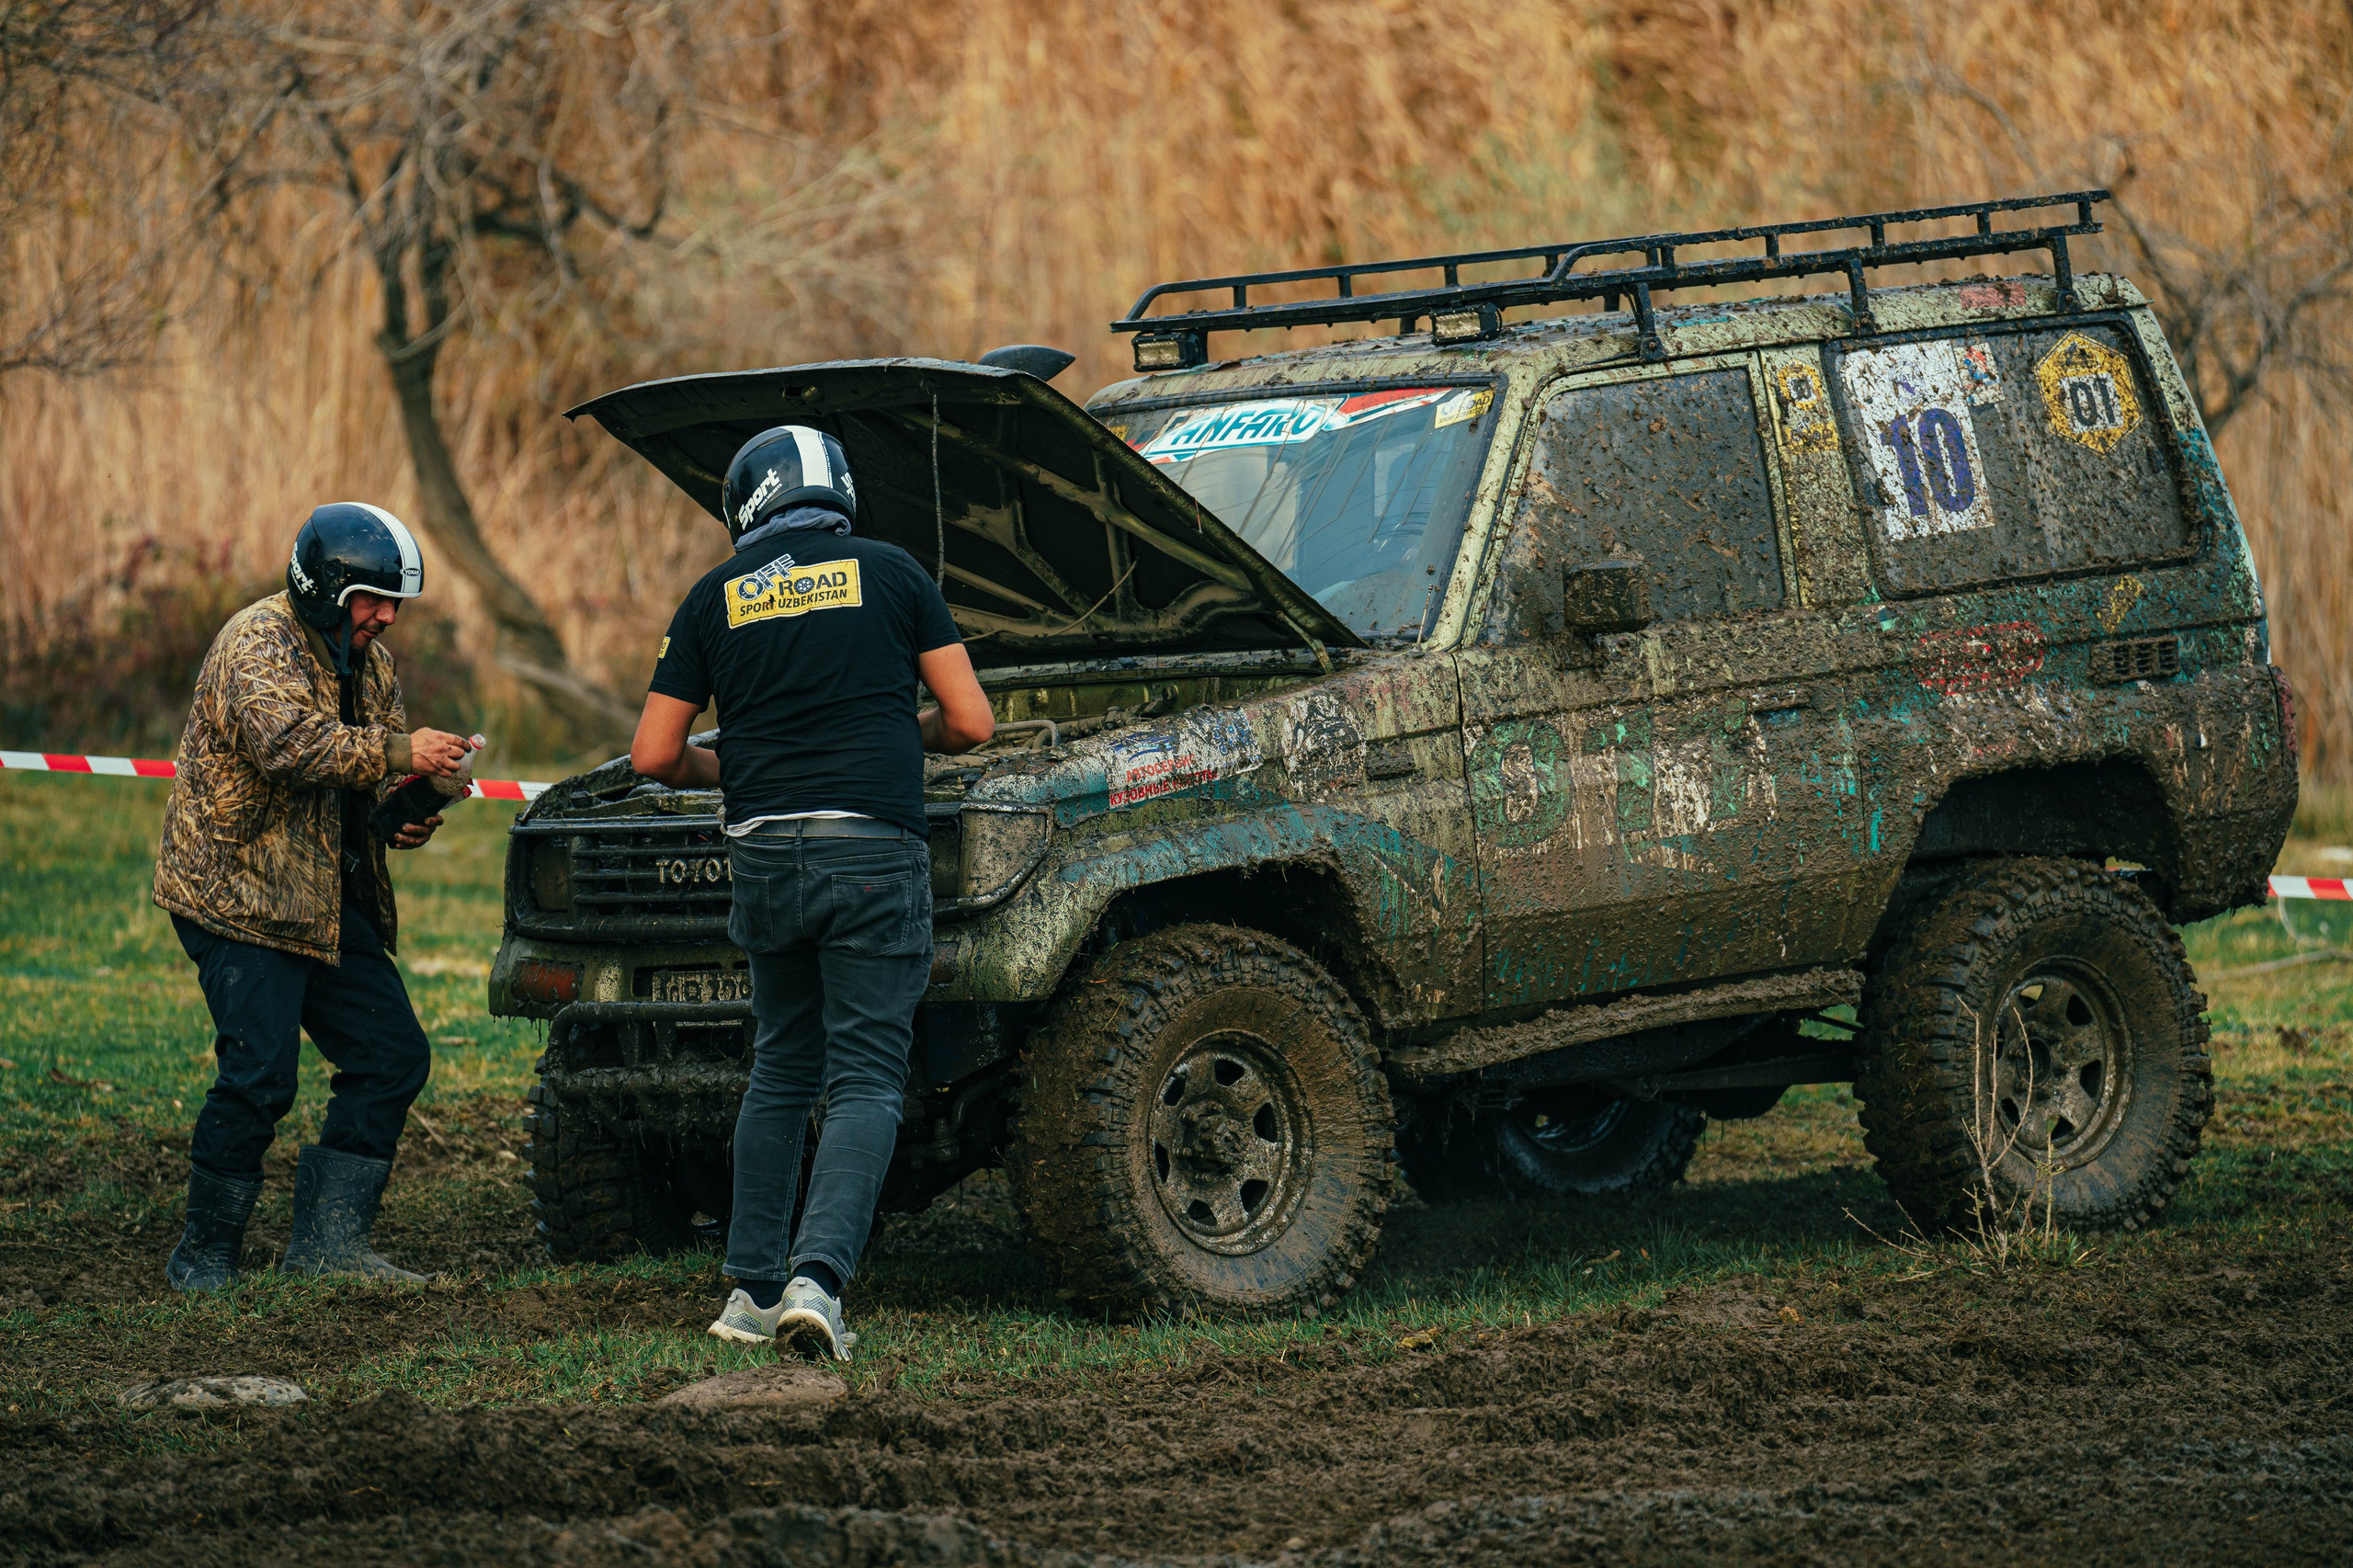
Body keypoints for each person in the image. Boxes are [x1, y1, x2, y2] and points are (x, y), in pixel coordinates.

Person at [631, 425, 994, 1360]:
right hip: (870, 845)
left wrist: (742, 765)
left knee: (782, 1065)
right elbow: (971, 721)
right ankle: (819, 1280)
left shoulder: (713, 597)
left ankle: (750, 1288)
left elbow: (654, 756)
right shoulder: (895, 572)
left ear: (745, 503)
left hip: (762, 853)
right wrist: (893, 732)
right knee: (867, 1071)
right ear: (840, 491)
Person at [153, 503, 475, 1291]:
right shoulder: (255, 642)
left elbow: (366, 782)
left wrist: (417, 797)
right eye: (372, 599)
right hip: (236, 896)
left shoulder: (374, 666)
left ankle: (329, 1247)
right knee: (261, 1075)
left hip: (324, 902)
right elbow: (288, 746)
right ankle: (203, 1257)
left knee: (391, 1056)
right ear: (324, 586)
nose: (386, 617)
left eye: (393, 602)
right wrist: (403, 749)